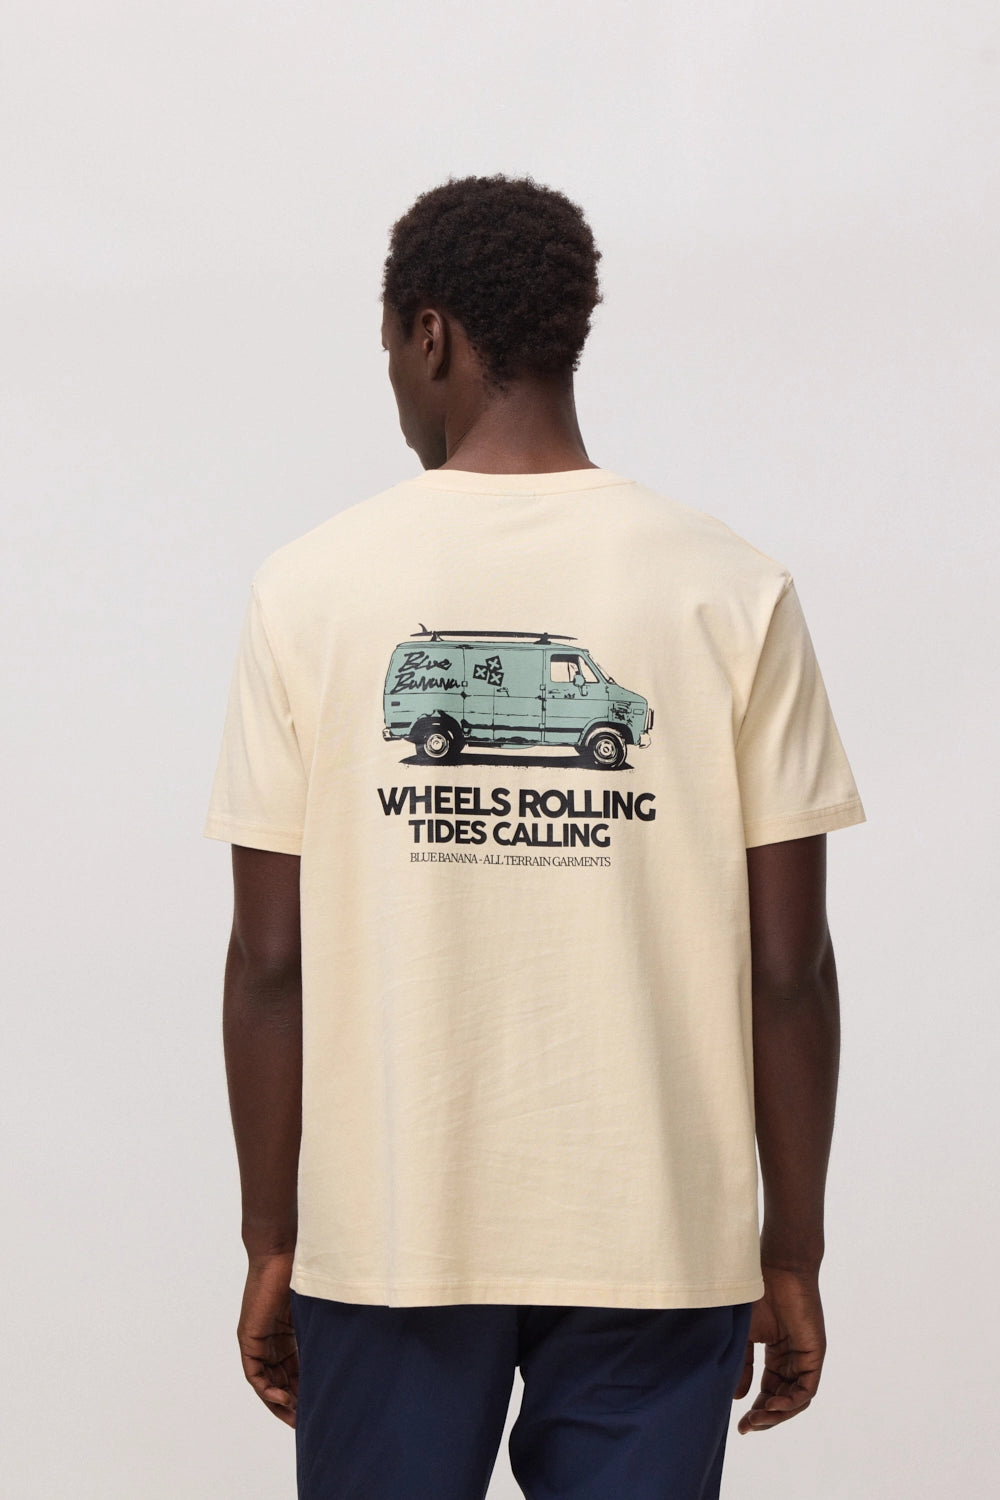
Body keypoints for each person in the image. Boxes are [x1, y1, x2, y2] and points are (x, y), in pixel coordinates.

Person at [203, 173, 867, 1500]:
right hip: (658, 1236)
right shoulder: (730, 588)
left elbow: (270, 961)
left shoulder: (310, 589)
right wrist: (789, 1247)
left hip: (392, 1229)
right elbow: (789, 966)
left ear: (431, 336)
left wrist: (273, 1237)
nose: (395, 388)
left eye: (390, 352)